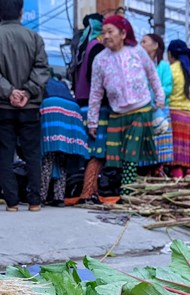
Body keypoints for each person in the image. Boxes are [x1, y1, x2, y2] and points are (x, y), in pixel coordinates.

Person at [0, 0, 50, 212]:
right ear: (21, 12)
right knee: (31, 153)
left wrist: (9, 91)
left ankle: (11, 202)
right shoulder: (35, 38)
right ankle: (35, 201)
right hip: (29, 106)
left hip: (2, 105)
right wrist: (27, 92)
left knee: (4, 153)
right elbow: (42, 69)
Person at [87, 15, 164, 193]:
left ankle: (128, 192)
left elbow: (152, 75)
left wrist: (159, 98)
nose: (105, 36)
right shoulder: (100, 60)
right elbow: (96, 92)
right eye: (103, 32)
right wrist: (92, 121)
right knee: (117, 158)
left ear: (123, 33)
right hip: (117, 115)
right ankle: (133, 190)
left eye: (110, 32)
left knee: (131, 155)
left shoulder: (137, 52)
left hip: (140, 111)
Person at [72, 13, 107, 204]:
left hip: (82, 105)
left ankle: (88, 191)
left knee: (89, 152)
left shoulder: (82, 45)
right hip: (95, 106)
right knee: (98, 152)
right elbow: (97, 82)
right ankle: (88, 192)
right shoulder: (97, 47)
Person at [39, 75, 89, 206]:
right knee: (62, 157)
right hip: (72, 110)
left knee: (47, 156)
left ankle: (41, 196)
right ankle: (59, 197)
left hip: (51, 107)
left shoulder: (39, 80)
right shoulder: (62, 84)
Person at [140, 33, 174, 176]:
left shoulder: (163, 66)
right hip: (142, 111)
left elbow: (168, 87)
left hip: (159, 111)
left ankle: (157, 175)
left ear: (155, 46)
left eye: (144, 42)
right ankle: (144, 175)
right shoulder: (138, 65)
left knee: (159, 149)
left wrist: (155, 97)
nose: (141, 45)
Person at [167, 39, 190, 178]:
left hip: (174, 117)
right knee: (186, 161)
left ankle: (176, 185)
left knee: (176, 161)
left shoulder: (170, 70)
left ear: (170, 54)